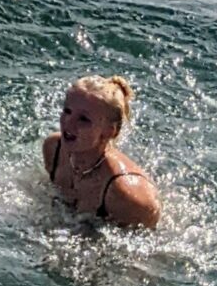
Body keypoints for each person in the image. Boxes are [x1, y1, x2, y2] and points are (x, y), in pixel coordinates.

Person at [42, 75, 161, 228]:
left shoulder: (126, 194)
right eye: (67, 111)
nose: (68, 123)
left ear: (109, 131)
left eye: (83, 119)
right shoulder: (54, 148)